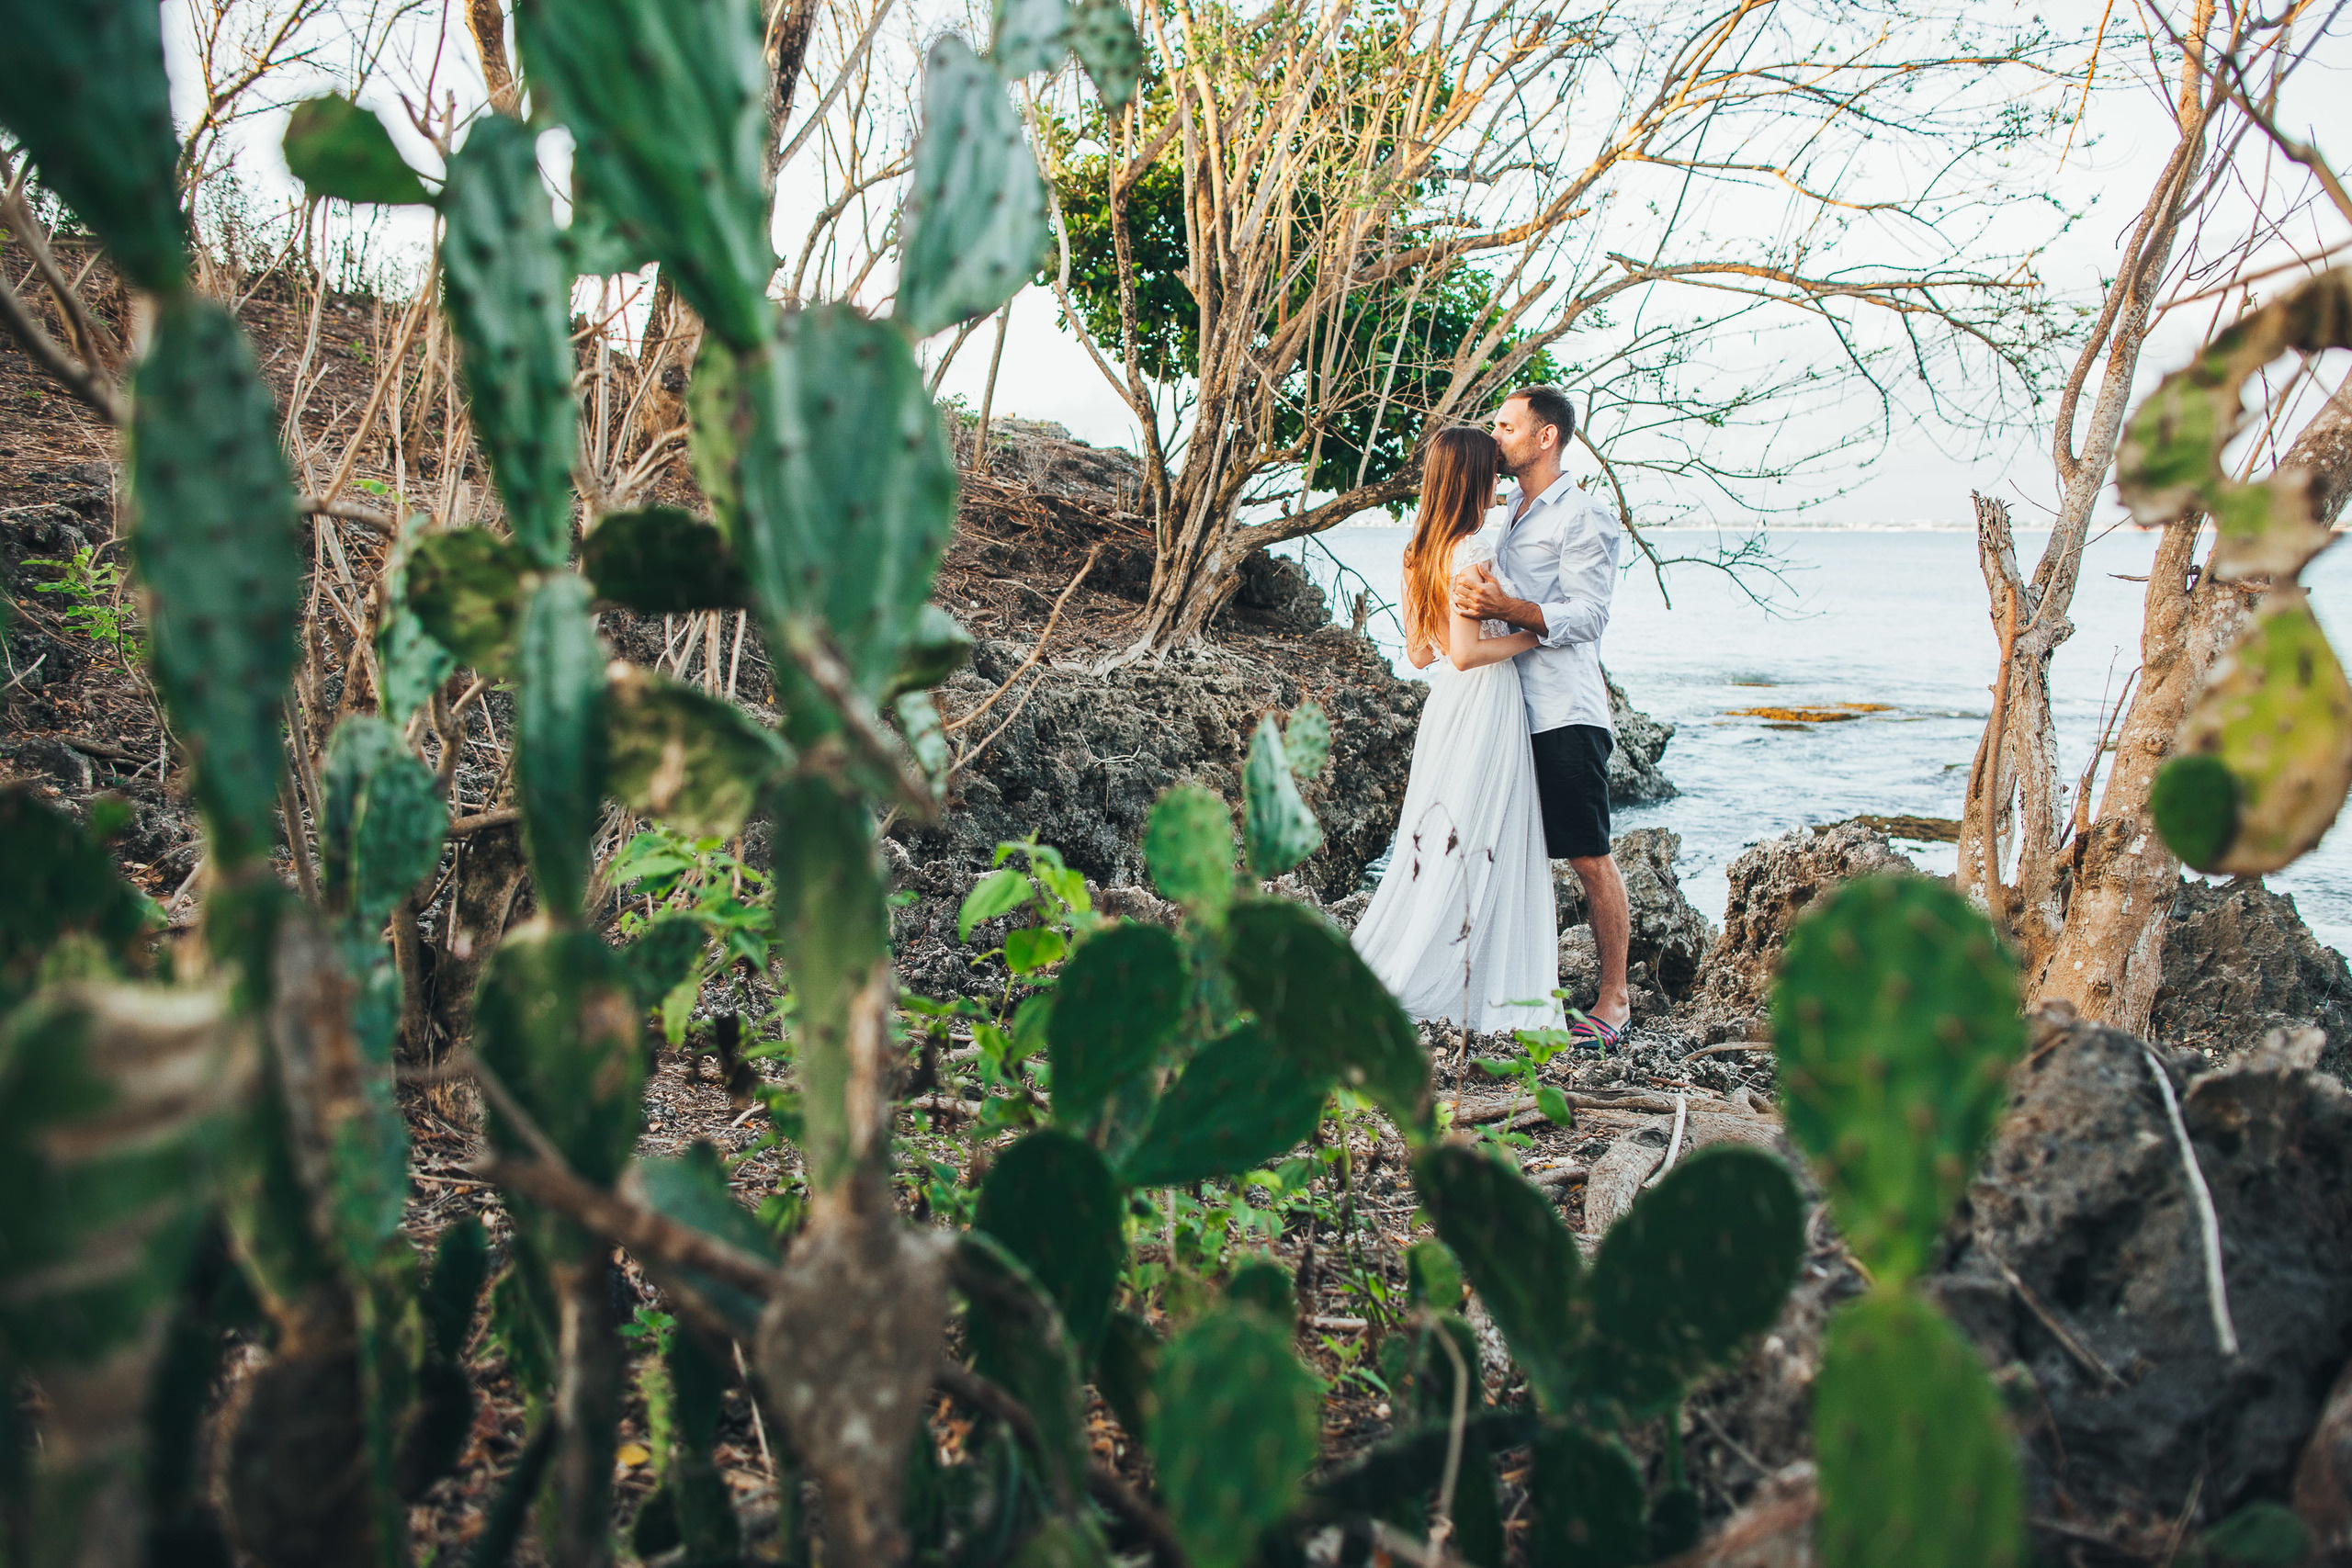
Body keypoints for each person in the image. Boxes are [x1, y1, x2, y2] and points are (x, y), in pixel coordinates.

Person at [1349, 426, 1564, 1032]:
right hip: (1485, 703)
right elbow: (1468, 654)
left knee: (1444, 839)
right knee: (1488, 838)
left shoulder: (1419, 551)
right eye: (1493, 472)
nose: (1499, 481)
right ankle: (1472, 984)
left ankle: (1438, 963)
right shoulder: (1471, 549)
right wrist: (1533, 633)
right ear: (1473, 478)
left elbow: (1421, 654)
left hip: (1446, 709)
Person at [1451, 385, 1631, 1047]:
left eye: (1506, 425)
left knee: (1587, 855)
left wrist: (1513, 606)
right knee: (1504, 854)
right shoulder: (1503, 511)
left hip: (1563, 711)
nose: (1494, 436)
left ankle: (1614, 1000)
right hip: (1502, 710)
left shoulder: (1582, 515)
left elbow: (1589, 615)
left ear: (1545, 436)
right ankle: (1504, 994)